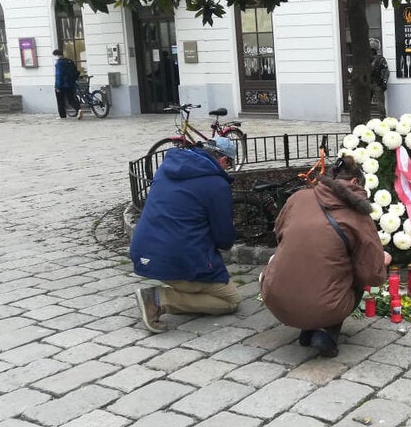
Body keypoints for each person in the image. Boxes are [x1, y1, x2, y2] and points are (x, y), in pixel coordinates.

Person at [260, 156, 390, 358]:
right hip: (326, 306)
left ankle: (307, 328)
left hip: (275, 300)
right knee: (358, 274)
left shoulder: (298, 198)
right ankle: (326, 331)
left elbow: (279, 233)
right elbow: (372, 275)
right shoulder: (357, 214)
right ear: (355, 183)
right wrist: (382, 262)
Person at [130, 137, 241, 333]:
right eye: (229, 164)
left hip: (144, 249)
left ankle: (179, 290)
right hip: (178, 257)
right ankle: (158, 300)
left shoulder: (167, 167)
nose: (228, 169)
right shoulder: (216, 184)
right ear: (223, 160)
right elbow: (224, 240)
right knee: (230, 300)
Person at [53, 49, 82, 120]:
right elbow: (75, 71)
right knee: (71, 99)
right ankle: (78, 109)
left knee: (60, 101)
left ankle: (62, 116)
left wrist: (57, 86)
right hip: (71, 84)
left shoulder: (59, 63)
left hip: (62, 85)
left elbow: (58, 75)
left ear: (57, 55)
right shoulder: (70, 61)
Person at [370, 39, 390, 118]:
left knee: (379, 103)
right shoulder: (380, 59)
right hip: (375, 83)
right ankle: (382, 118)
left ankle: (381, 118)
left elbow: (386, 72)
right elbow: (386, 71)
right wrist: (384, 82)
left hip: (375, 83)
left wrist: (384, 83)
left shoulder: (379, 59)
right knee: (379, 103)